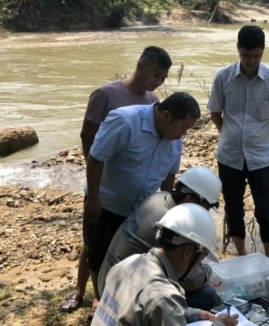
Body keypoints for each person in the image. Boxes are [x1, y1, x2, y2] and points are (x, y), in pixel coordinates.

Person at [60, 46, 172, 316]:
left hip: (133, 192)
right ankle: (81, 291)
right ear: (141, 65)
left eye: (163, 78)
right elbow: (88, 137)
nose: (157, 82)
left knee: (119, 242)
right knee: (93, 241)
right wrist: (96, 184)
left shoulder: (152, 102)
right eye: (155, 74)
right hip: (102, 184)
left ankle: (113, 292)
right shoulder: (106, 95)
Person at [84, 91, 201, 319]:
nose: (182, 135)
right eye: (183, 128)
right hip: (108, 204)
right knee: (98, 251)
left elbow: (169, 175)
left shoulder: (174, 138)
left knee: (132, 262)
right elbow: (96, 157)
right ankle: (101, 301)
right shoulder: (126, 121)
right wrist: (94, 199)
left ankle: (127, 304)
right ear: (166, 116)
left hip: (141, 209)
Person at [208, 26, 269, 260]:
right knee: (234, 210)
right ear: (238, 49)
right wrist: (226, 133)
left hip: (261, 158)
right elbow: (215, 111)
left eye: (256, 56)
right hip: (229, 156)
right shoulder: (223, 77)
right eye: (246, 55)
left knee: (266, 212)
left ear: (263, 52)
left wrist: (266, 140)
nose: (251, 61)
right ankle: (243, 257)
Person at [97, 166, 222, 311]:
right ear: (189, 199)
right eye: (204, 208)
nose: (204, 213)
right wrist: (207, 271)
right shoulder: (173, 224)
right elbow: (189, 280)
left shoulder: (159, 197)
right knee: (207, 295)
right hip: (122, 293)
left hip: (113, 279)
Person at [92, 204, 239, 326]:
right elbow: (159, 305)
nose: (199, 265)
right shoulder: (164, 296)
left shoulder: (127, 263)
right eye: (201, 259)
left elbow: (143, 311)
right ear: (188, 252)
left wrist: (193, 314)